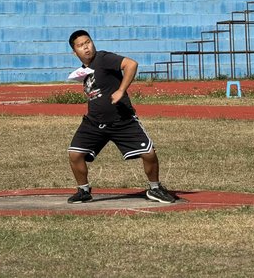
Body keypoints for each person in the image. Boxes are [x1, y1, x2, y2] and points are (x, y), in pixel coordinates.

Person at [66, 29, 175, 204]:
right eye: (80, 45)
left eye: (88, 42)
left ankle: (155, 188)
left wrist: (121, 90)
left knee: (148, 154)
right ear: (74, 52)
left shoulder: (103, 58)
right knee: (75, 154)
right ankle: (83, 191)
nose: (86, 47)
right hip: (94, 122)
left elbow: (131, 64)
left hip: (122, 119)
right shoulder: (83, 70)